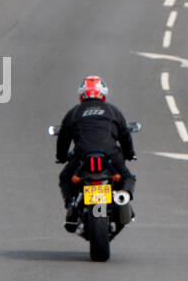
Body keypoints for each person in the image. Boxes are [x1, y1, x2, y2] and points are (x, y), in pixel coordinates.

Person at [56, 76, 136, 231]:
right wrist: (129, 153)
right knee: (127, 176)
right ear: (102, 94)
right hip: (110, 155)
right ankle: (123, 196)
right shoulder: (113, 111)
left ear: (82, 95)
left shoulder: (74, 113)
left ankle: (71, 204)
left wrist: (61, 157)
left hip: (82, 156)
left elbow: (63, 138)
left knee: (65, 177)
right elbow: (125, 135)